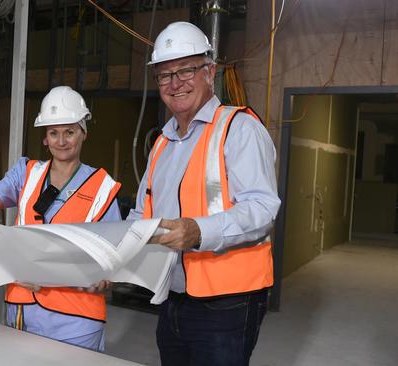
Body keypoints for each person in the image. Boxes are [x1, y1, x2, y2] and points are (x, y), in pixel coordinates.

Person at [128, 22, 281, 365]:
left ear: (209, 72)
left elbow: (262, 208)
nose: (175, 83)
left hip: (228, 302)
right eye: (165, 75)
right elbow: (142, 214)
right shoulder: (162, 144)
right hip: (172, 295)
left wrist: (199, 231)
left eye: (186, 70)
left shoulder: (239, 129)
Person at [0, 86, 122, 351]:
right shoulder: (26, 173)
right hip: (23, 310)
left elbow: (116, 255)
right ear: (45, 138)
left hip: (77, 318)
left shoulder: (102, 187)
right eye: (53, 133)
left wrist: (105, 276)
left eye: (70, 132)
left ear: (83, 133)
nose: (61, 141)